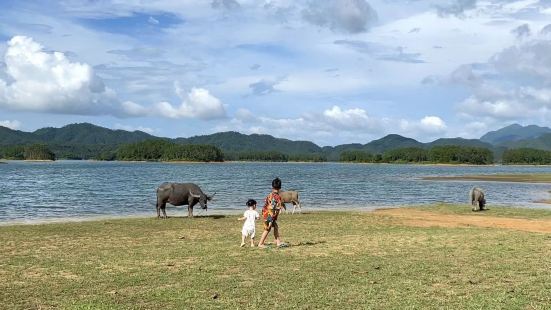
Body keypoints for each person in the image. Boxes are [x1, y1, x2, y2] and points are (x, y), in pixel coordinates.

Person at [257, 177, 287, 248]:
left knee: (275, 226)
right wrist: (279, 208)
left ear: (272, 186)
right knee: (267, 228)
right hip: (270, 214)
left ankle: (278, 242)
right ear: (280, 187)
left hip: (266, 212)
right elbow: (272, 207)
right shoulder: (277, 197)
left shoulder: (270, 194)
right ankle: (260, 244)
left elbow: (266, 202)